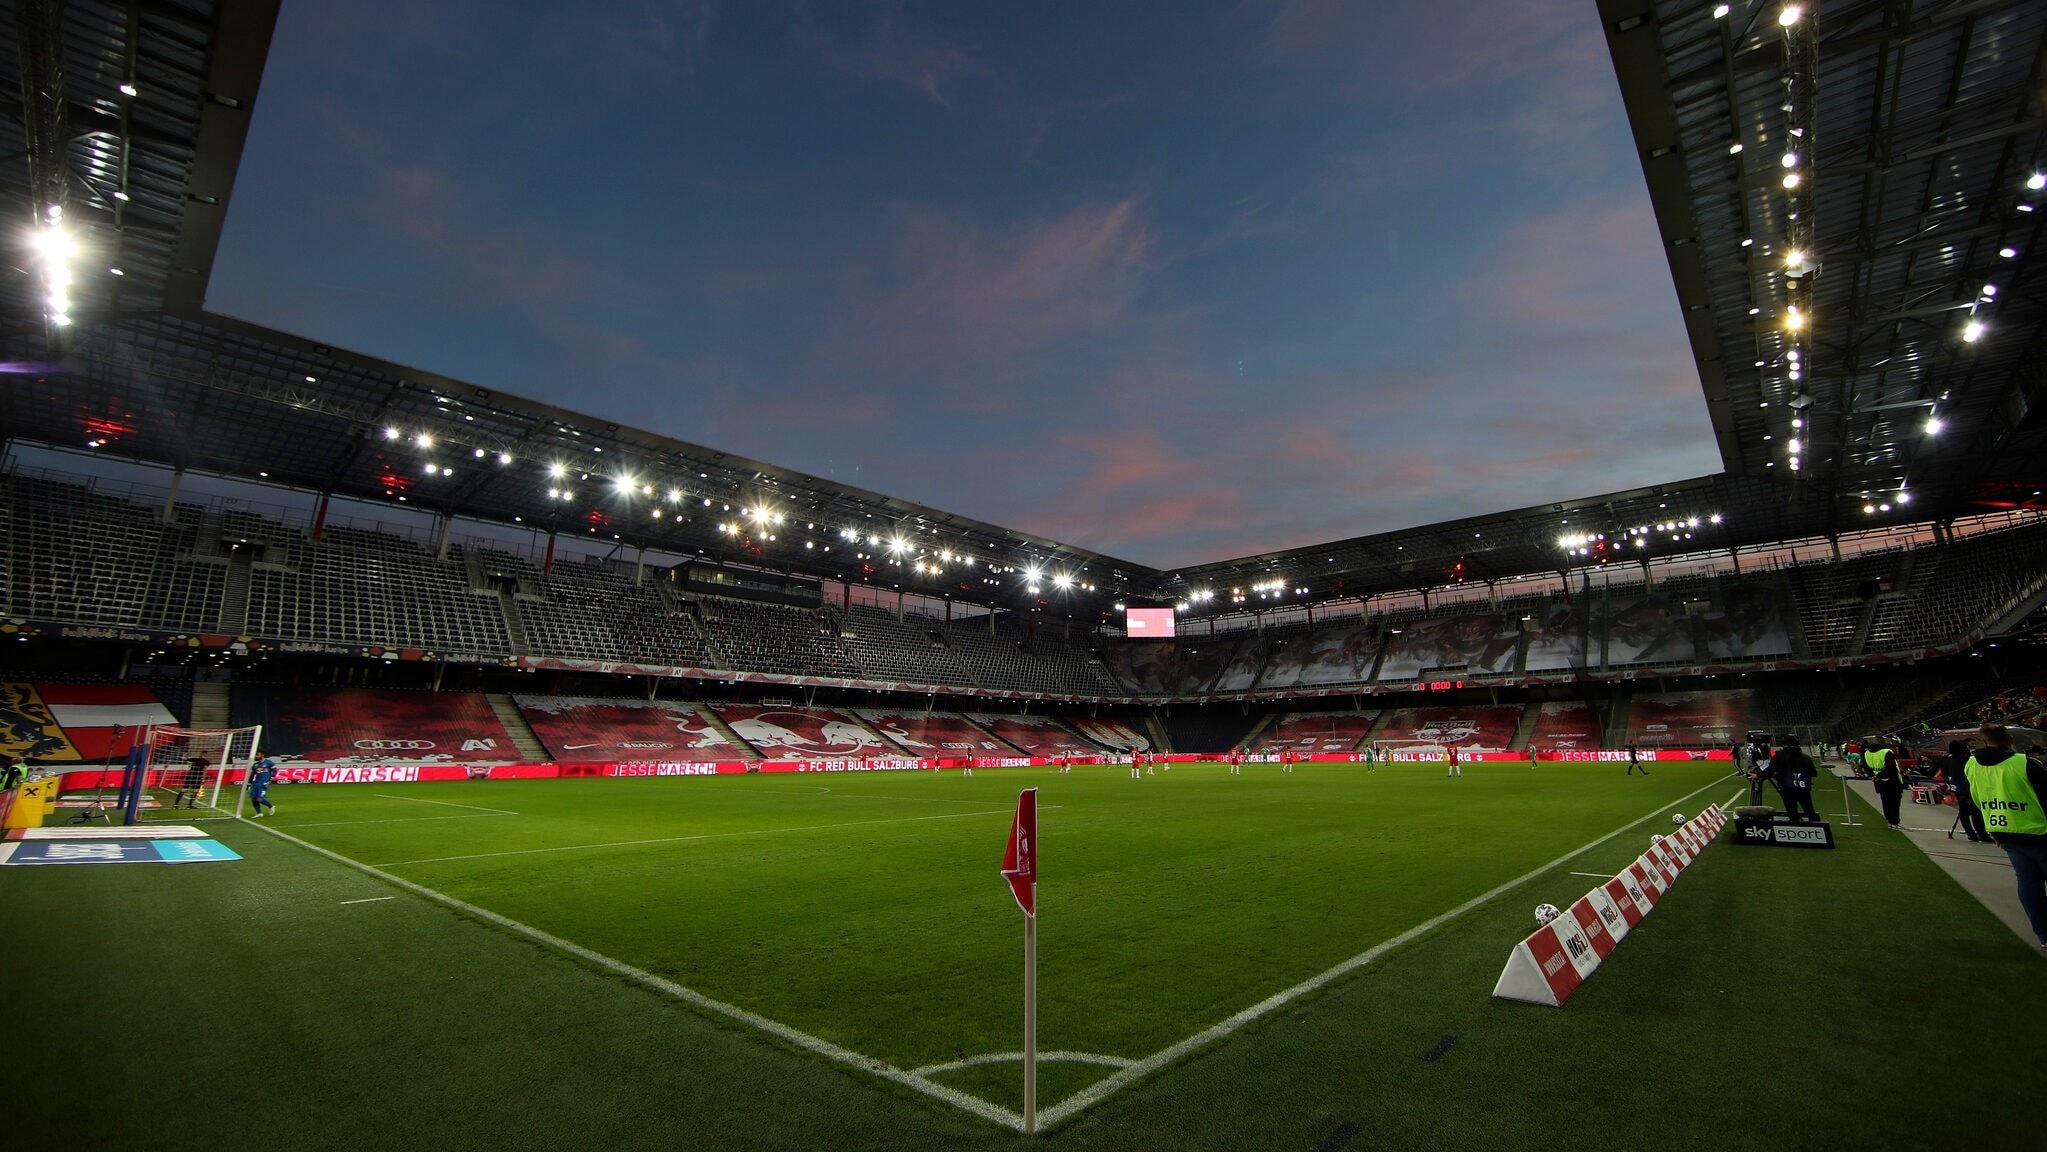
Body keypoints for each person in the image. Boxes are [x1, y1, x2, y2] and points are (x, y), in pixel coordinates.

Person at [1962, 724, 2047, 951]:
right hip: (2039, 832)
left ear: (1983, 740)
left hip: (2005, 832)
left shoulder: (1971, 765)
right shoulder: (2025, 763)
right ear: (2009, 739)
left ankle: (2043, 933)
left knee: (2028, 884)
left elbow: (1976, 799)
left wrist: (1994, 830)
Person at [1758, 736, 1820, 822]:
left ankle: (1796, 825)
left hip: (1787, 788)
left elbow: (1770, 770)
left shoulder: (1779, 755)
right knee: (1809, 810)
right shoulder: (1806, 758)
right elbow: (1813, 773)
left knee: (1792, 812)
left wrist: (1758, 775)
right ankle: (1816, 826)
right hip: (1803, 788)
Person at [1946, 739, 1989, 843]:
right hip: (1966, 787)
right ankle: (1981, 833)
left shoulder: (1949, 759)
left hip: (1957, 787)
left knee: (1964, 812)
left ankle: (1971, 833)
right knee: (1975, 811)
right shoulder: (1965, 759)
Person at [1867, 739, 1905, 829]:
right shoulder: (1887, 752)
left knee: (1885, 801)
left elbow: (1867, 767)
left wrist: (1874, 776)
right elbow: (1891, 769)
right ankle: (1894, 822)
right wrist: (1879, 776)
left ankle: (1890, 820)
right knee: (1894, 802)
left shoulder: (1867, 753)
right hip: (1892, 781)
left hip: (1880, 782)